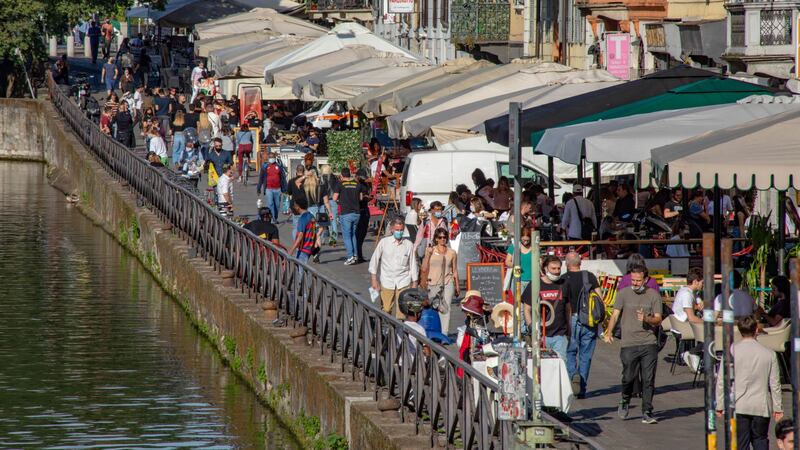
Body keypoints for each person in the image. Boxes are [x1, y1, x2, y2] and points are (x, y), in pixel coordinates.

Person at [603, 263, 663, 424]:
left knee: (648, 378)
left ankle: (647, 411)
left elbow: (658, 319)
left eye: (638, 280)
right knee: (628, 377)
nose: (635, 283)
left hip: (649, 342)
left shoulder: (653, 295)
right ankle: (625, 399)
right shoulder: (623, 294)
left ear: (646, 279)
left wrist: (647, 319)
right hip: (628, 343)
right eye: (633, 280)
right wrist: (608, 332)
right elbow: (615, 315)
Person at [716, 315, 782, 450]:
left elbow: (722, 380)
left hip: (738, 404)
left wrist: (720, 404)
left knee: (741, 443)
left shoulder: (731, 352)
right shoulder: (769, 354)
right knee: (760, 439)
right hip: (761, 405)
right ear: (756, 329)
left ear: (740, 330)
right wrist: (777, 407)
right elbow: (775, 384)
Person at [563, 251, 603, 398]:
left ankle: (573, 374)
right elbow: (600, 298)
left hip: (571, 319)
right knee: (586, 355)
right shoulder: (589, 276)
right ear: (580, 263)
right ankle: (582, 390)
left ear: (566, 264)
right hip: (589, 320)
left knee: (570, 352)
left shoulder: (564, 279)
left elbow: (562, 303)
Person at [523, 255, 571, 361]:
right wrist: (532, 329)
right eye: (553, 268)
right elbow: (527, 309)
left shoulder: (564, 284)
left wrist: (569, 331)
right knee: (542, 368)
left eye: (559, 268)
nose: (557, 271)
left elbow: (568, 310)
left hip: (560, 335)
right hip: (541, 335)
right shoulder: (535, 285)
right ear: (545, 268)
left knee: (561, 366)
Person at [369, 218, 419, 319]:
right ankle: (386, 329)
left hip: (403, 281)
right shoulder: (384, 242)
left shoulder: (408, 244)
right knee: (386, 309)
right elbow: (374, 260)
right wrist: (374, 280)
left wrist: (414, 282)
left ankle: (399, 332)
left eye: (401, 230)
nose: (399, 232)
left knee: (402, 311)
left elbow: (413, 263)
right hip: (387, 280)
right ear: (392, 230)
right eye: (397, 230)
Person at [420, 228, 459, 334]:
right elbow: (424, 268)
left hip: (447, 281)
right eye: (440, 237)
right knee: (434, 307)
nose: (443, 239)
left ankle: (444, 333)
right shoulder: (431, 250)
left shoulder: (452, 252)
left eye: (444, 237)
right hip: (433, 283)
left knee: (446, 308)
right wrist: (427, 255)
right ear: (436, 239)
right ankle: (434, 331)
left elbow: (454, 270)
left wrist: (457, 285)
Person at [669, 267, 704, 372]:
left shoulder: (687, 291)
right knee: (711, 332)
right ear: (695, 282)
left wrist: (700, 303)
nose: (703, 285)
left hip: (681, 325)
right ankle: (693, 353)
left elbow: (698, 303)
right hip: (682, 327)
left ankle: (693, 354)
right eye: (702, 282)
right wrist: (710, 322)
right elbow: (692, 318)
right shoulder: (687, 294)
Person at [335, 168, 365, 265]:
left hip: (346, 213)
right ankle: (355, 255)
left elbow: (335, 198)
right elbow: (361, 198)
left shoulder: (340, 184)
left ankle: (350, 256)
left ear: (342, 176)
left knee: (347, 236)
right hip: (356, 213)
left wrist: (341, 201)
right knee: (353, 235)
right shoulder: (357, 184)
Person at [256, 153, 287, 223]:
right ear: (268, 158)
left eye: (272, 157)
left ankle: (275, 217)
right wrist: (258, 189)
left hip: (278, 189)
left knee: (277, 205)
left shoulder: (279, 166)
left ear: (275, 158)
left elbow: (283, 178)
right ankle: (272, 218)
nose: (271, 158)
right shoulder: (265, 166)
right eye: (270, 157)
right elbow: (261, 178)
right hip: (268, 189)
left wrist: (285, 189)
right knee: (270, 204)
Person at [505, 226, 534, 293]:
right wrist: (514, 264)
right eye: (523, 240)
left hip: (532, 280)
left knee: (530, 303)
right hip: (517, 280)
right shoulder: (514, 246)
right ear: (520, 238)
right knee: (519, 303)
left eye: (527, 240)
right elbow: (507, 261)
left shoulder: (534, 247)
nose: (525, 242)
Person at [288, 199, 316, 265]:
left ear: (298, 207)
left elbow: (300, 235)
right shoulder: (311, 216)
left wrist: (291, 250)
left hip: (303, 248)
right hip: (310, 247)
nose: (294, 207)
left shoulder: (302, 219)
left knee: (301, 271)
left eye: (294, 206)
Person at [321, 166, 340, 246]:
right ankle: (333, 240)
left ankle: (321, 239)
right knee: (333, 221)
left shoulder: (321, 179)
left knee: (322, 221)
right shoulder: (335, 178)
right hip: (333, 201)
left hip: (323, 201)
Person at [288, 165, 308, 240]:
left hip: (295, 205)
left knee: (295, 227)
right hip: (305, 205)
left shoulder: (291, 181)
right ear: (303, 171)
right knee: (305, 226)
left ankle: (296, 243)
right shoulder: (306, 180)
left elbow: (289, 192)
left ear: (296, 171)